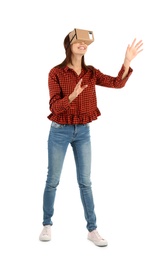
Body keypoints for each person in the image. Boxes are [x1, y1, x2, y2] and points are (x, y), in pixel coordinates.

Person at [39, 29, 143, 247]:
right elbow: (54, 106)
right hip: (59, 130)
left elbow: (117, 83)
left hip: (83, 131)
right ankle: (47, 224)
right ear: (69, 45)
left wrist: (126, 61)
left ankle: (92, 230)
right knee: (53, 180)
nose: (83, 44)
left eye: (86, 42)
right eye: (78, 41)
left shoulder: (91, 73)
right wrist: (72, 96)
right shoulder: (55, 73)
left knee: (85, 182)